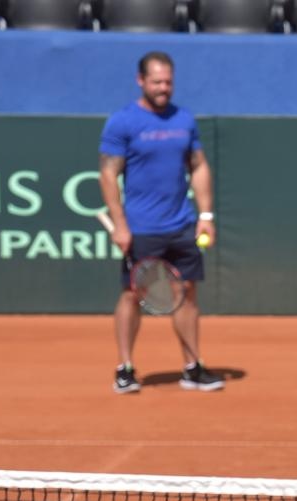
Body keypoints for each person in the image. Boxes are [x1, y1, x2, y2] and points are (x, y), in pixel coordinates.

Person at [99, 51, 223, 395]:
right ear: (141, 81)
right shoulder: (122, 122)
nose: (163, 88)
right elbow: (108, 175)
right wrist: (120, 224)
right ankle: (125, 368)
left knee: (187, 293)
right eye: (156, 82)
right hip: (141, 227)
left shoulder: (184, 119)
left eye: (168, 82)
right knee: (131, 295)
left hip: (181, 224)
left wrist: (205, 216)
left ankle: (192, 367)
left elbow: (198, 166)